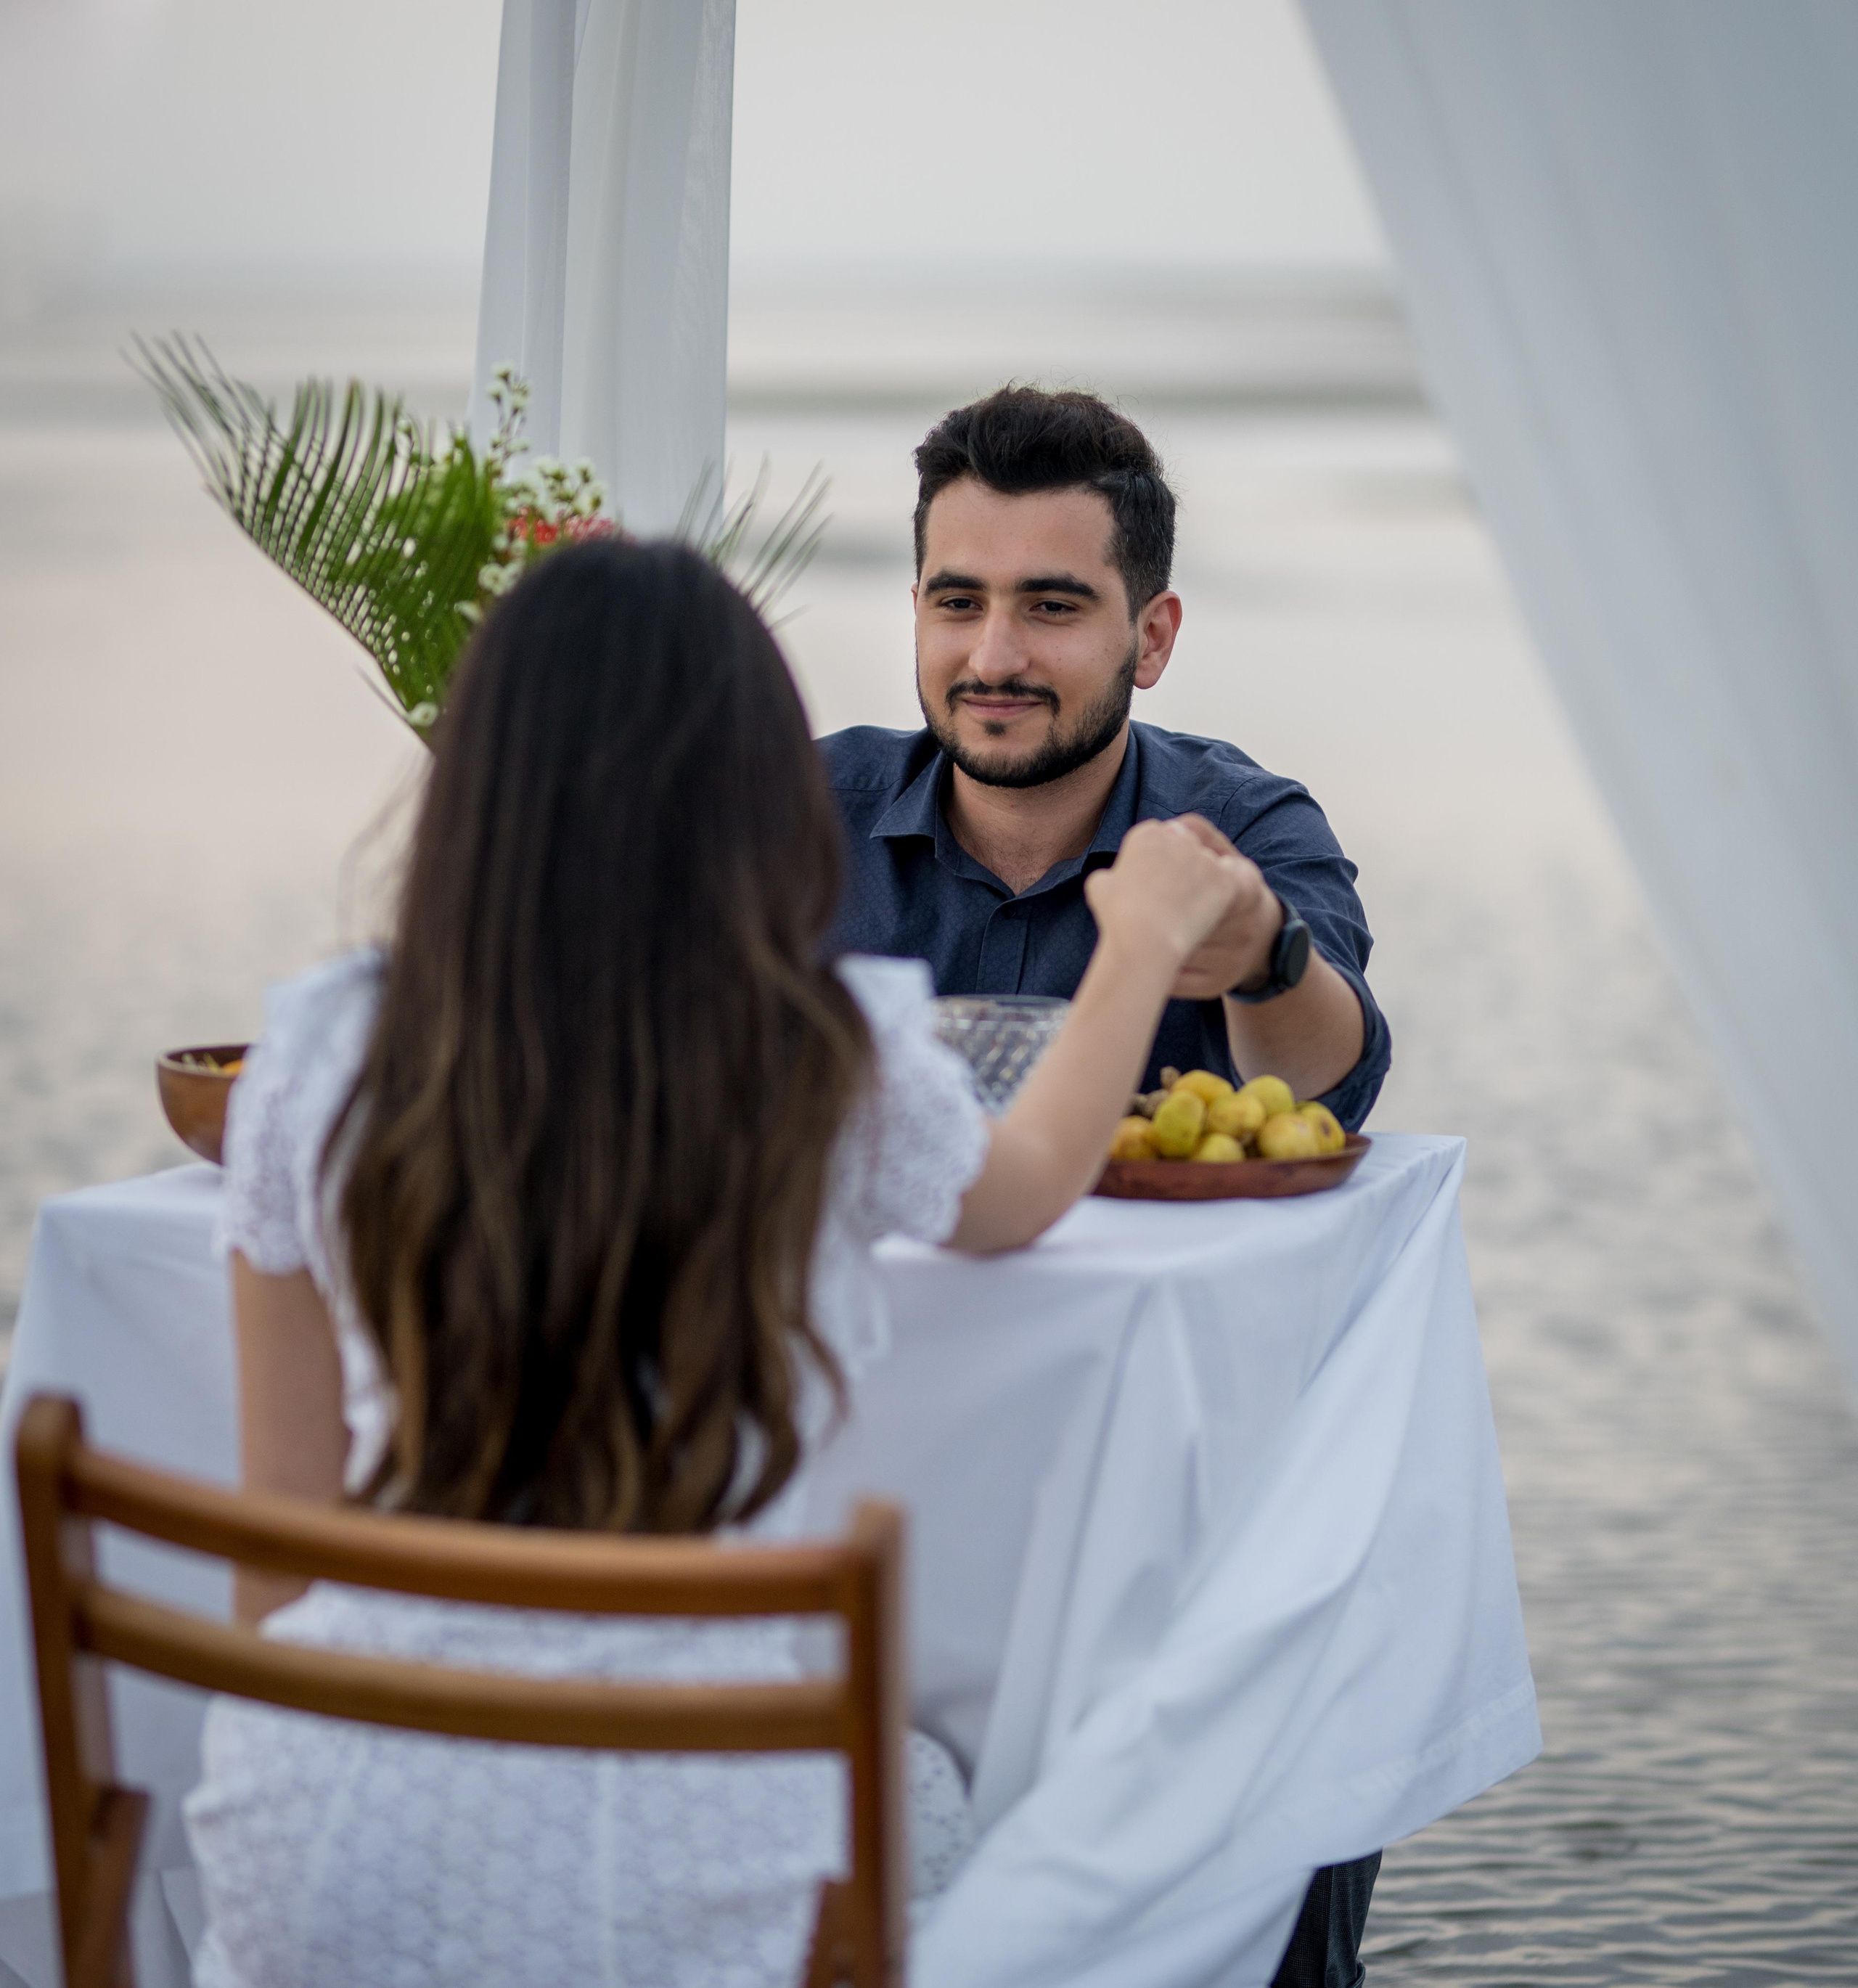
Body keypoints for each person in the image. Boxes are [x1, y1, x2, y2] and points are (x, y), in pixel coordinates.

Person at [185, 538, 1248, 1988]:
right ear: (752, 794)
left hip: (327, 1822)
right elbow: (1016, 1196)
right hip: (704, 1826)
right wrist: (1132, 942)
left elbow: (278, 1574)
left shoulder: (311, 1047)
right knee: (1000, 1807)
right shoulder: (819, 1043)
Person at [819, 386, 1388, 1986]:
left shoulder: (1246, 821)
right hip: (854, 1508)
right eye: (954, 598)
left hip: (1166, 1526)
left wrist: (1259, 944)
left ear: (1151, 636)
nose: (991, 650)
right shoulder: (791, 814)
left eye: (1051, 606)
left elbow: (1330, 1075)